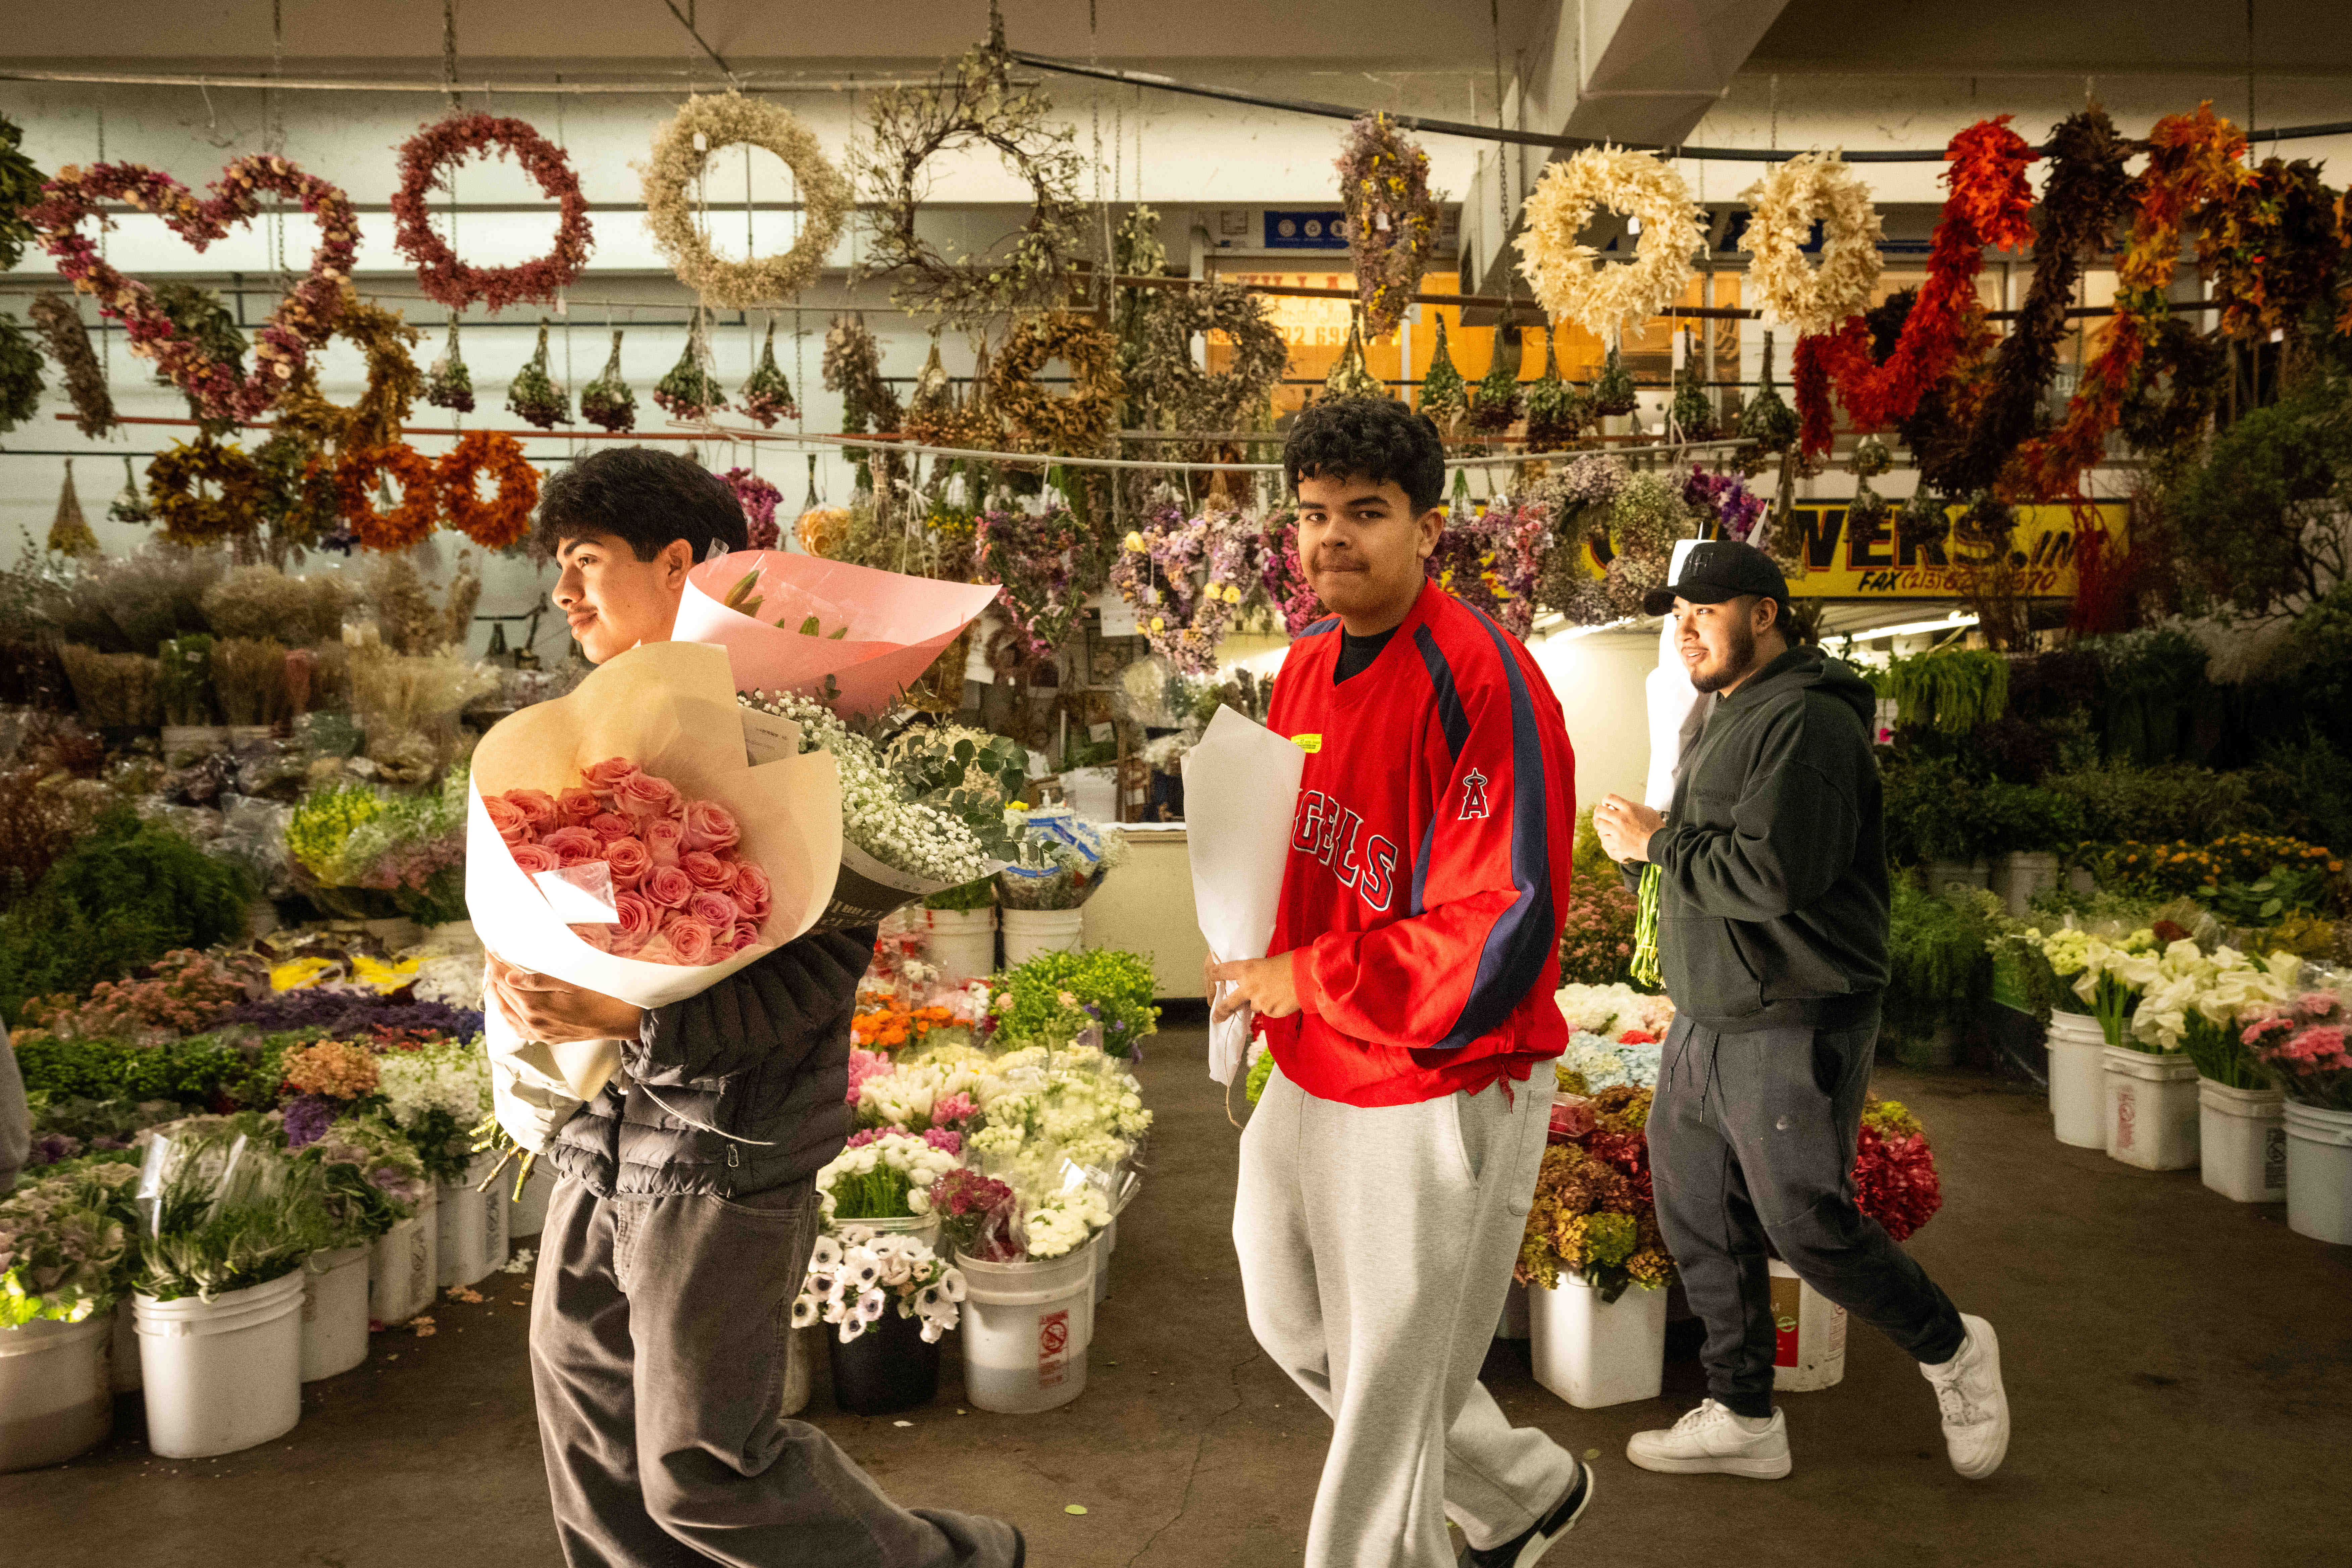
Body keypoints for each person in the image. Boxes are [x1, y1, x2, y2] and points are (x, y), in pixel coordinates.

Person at [483, 447, 1023, 1568]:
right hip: (593, 1136)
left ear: (675, 562)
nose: (563, 592)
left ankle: (953, 1561)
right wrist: (525, 972)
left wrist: (631, 1016)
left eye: (586, 562)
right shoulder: (593, 738)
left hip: (722, 1156)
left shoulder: (794, 741)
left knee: (700, 1468)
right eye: (558, 568)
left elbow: (807, 985)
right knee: (592, 1453)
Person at [1209, 397, 1592, 1568]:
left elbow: (1501, 932)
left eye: (1365, 513)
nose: (1332, 538)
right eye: (1313, 514)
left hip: (1438, 1075)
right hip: (1317, 1051)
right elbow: (1287, 846)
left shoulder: (1484, 682)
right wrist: (1245, 940)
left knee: (1384, 1383)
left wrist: (1306, 970)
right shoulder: (1306, 664)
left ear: (1428, 528)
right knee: (1290, 1316)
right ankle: (1522, 1490)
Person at [1590, 540, 2009, 1483]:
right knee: (1696, 1209)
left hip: (1791, 1008)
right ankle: (1742, 1412)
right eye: (1676, 614)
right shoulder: (1725, 713)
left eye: (1705, 610)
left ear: (1765, 613)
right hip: (1711, 1013)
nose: (1686, 628)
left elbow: (1776, 874)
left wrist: (1660, 842)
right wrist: (1641, 851)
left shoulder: (1809, 722)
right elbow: (1713, 861)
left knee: (1805, 1223)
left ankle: (1950, 1346)